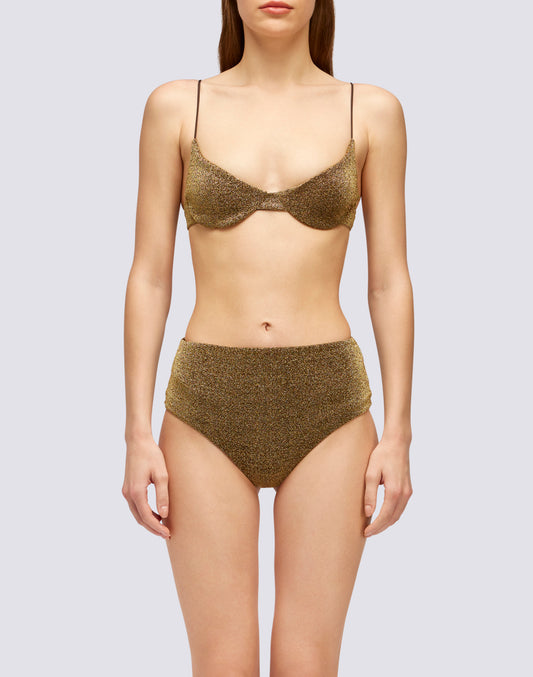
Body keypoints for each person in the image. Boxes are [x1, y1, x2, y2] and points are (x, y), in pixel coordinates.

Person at [122, 0, 414, 674]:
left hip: (329, 404)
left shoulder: (371, 111)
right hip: (206, 402)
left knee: (308, 661)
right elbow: (150, 277)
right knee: (221, 662)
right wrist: (136, 431)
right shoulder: (176, 107)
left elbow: (389, 281)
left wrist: (398, 433)